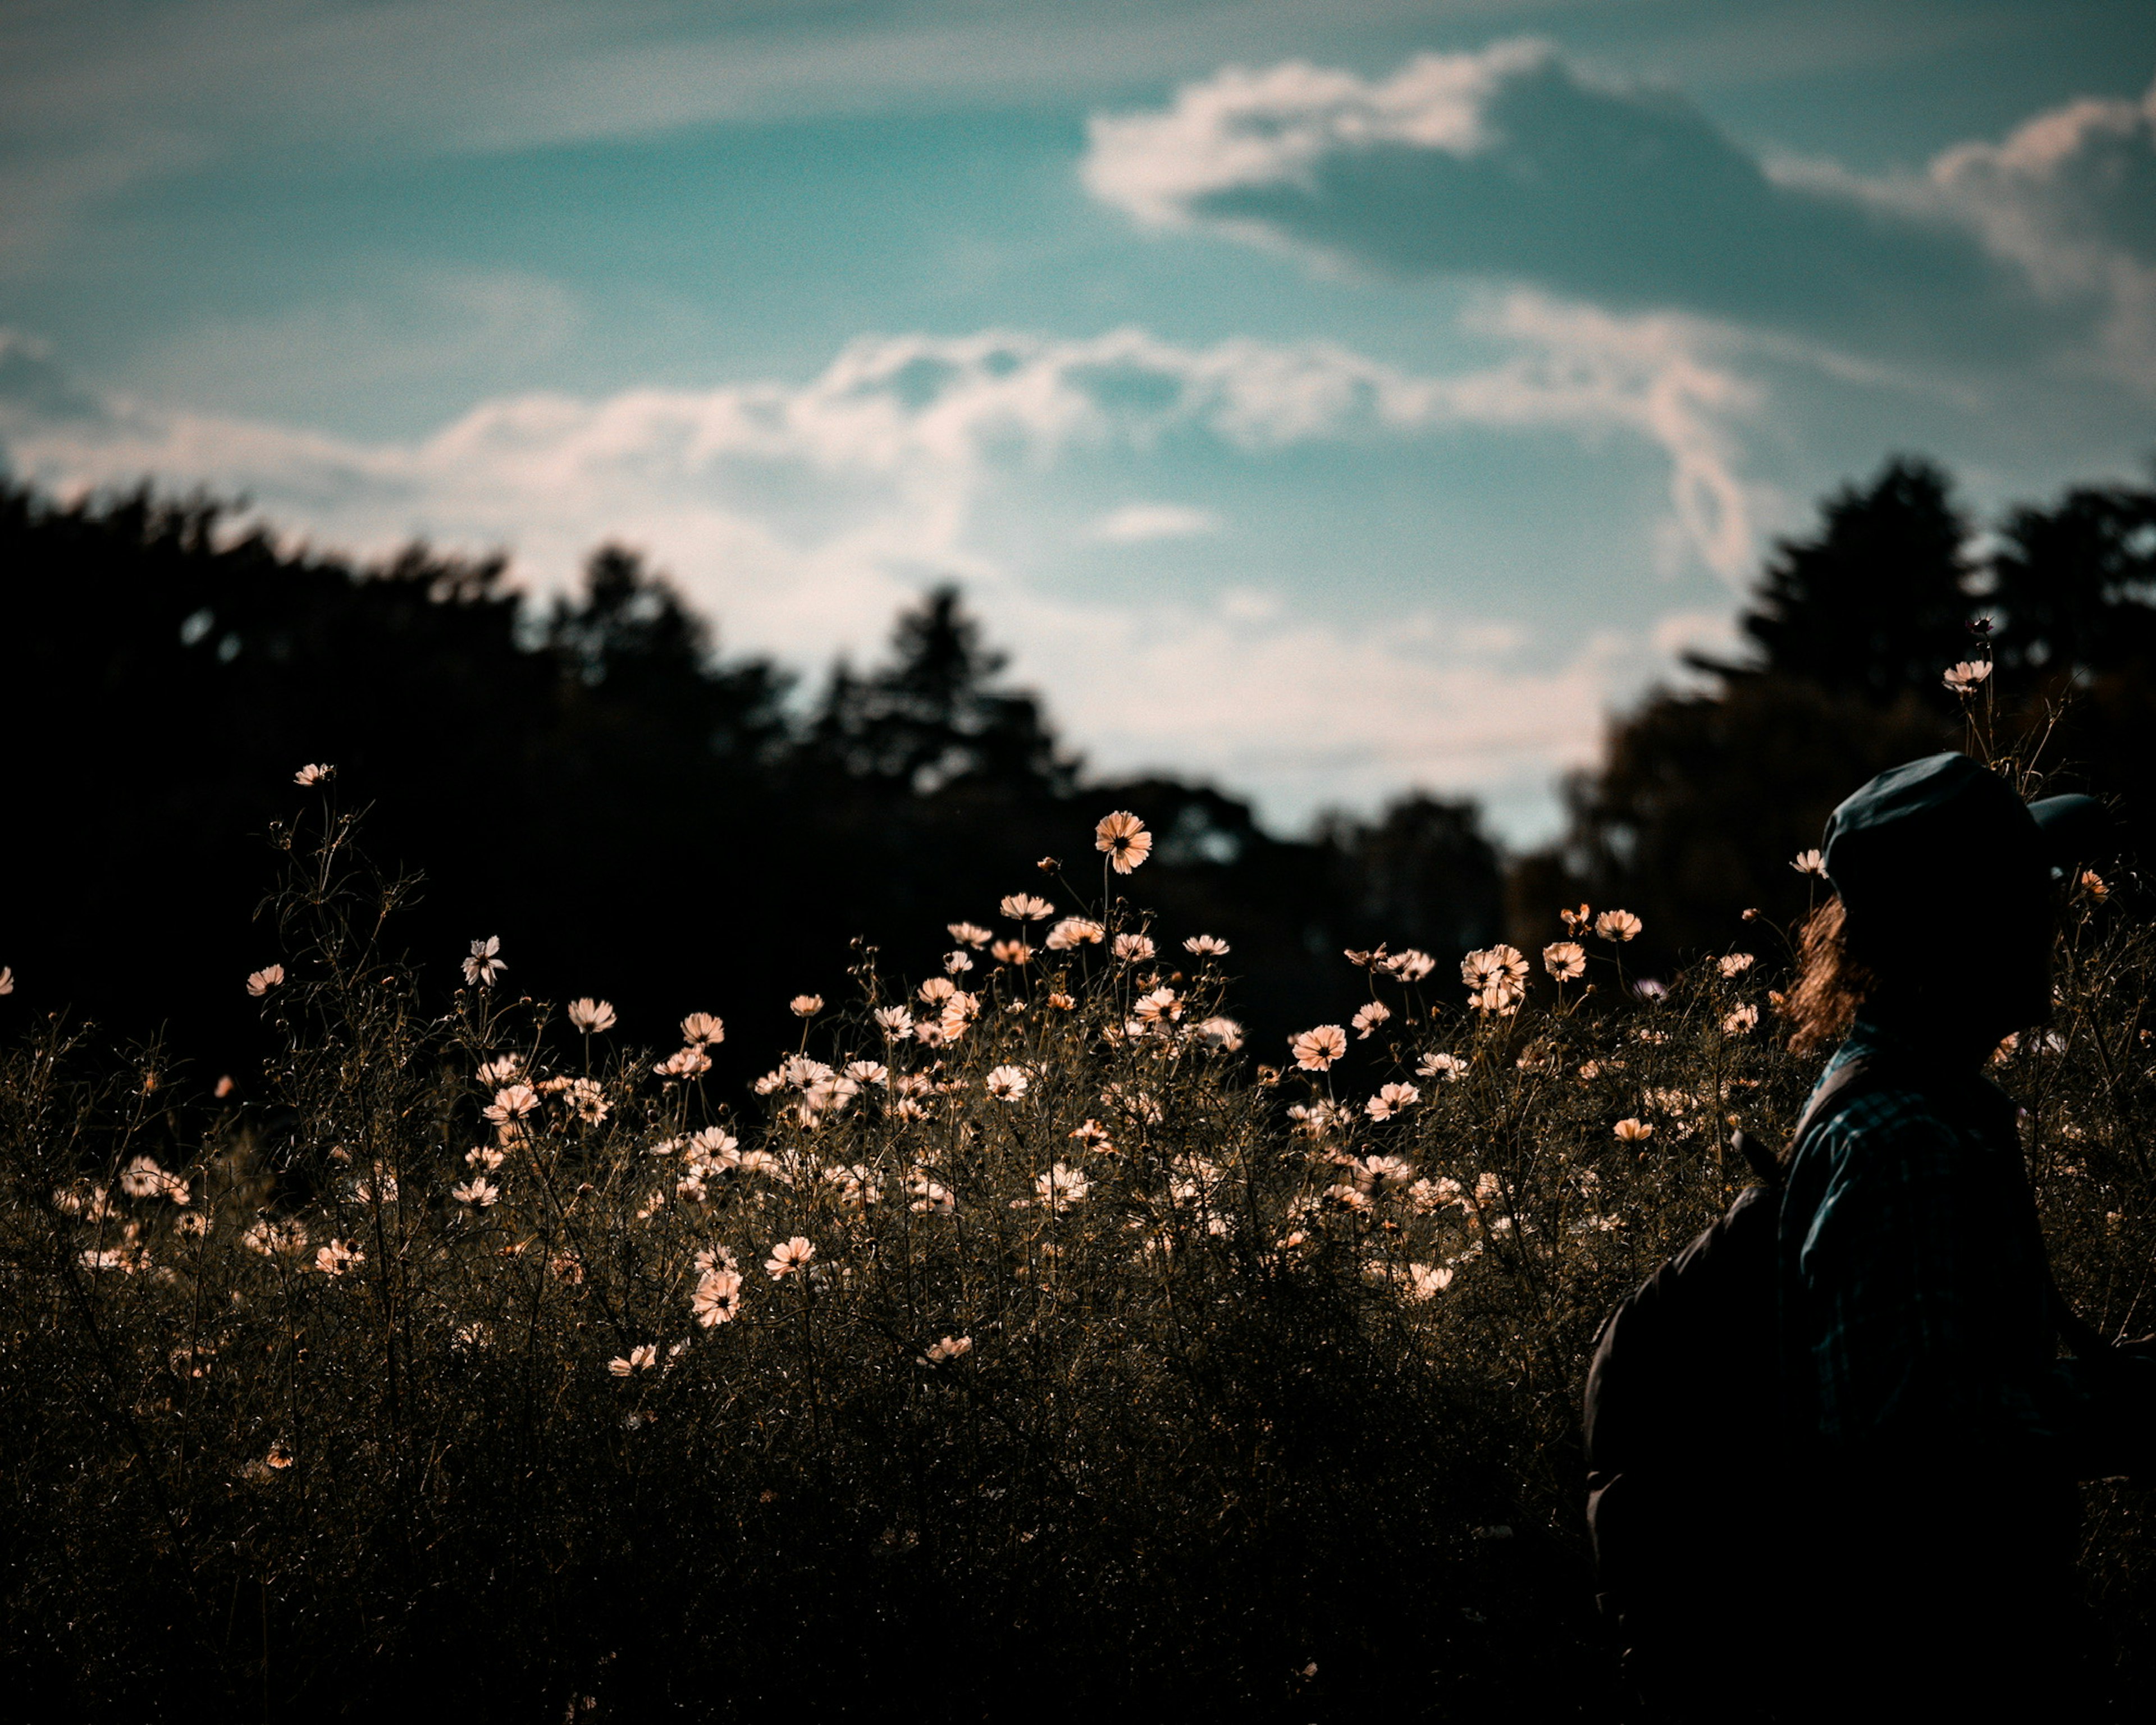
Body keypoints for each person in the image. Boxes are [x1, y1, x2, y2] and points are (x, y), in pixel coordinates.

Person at [1774, 753, 2151, 1716]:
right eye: (2038, 888)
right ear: (1960, 929)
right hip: (1945, 1677)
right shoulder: (1904, 1141)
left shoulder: (1912, 1103)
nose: (2059, 914)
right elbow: (1916, 1448)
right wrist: (2119, 1412)